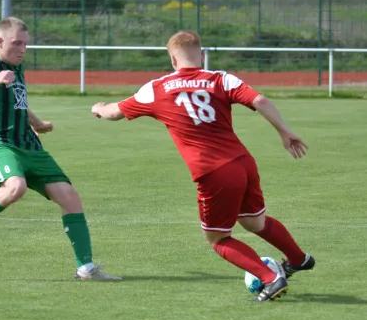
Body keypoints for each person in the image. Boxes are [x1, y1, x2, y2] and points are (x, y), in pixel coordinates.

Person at [90, 30, 315, 301]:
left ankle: (271, 279)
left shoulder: (157, 88)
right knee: (255, 222)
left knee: (218, 239)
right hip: (243, 163)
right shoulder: (221, 78)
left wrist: (99, 108)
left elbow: (114, 112)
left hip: (213, 172)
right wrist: (285, 132)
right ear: (203, 56)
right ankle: (298, 258)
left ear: (173, 60)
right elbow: (260, 100)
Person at [0, 17, 121, 281]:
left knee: (69, 196)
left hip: (29, 144)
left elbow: (17, 102)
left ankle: (86, 269)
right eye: (16, 43)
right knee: (16, 187)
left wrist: (37, 122)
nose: (22, 49)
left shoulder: (18, 66)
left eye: (25, 44)